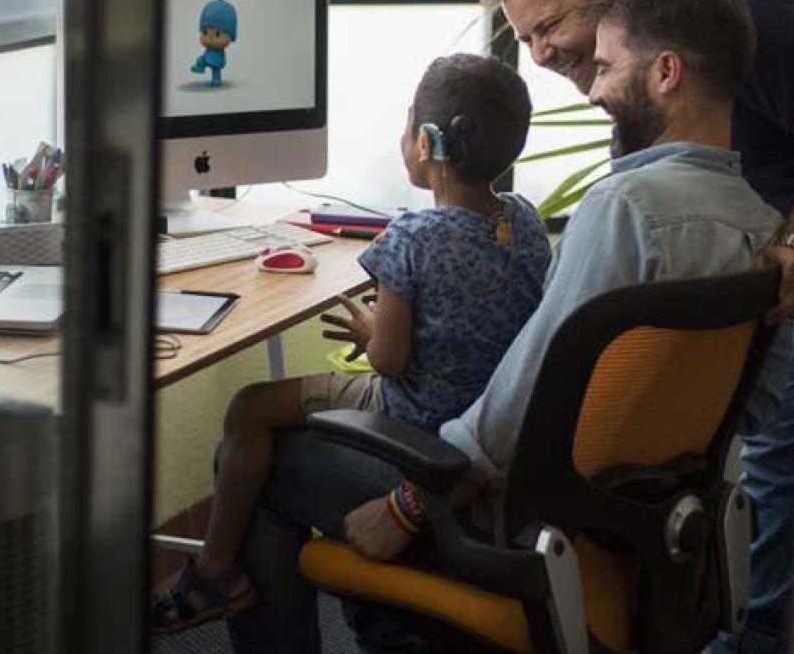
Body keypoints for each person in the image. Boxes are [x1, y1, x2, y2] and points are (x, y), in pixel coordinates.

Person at [227, 0, 792, 652]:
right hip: (641, 530)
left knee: (260, 454)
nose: (597, 91)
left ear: (666, 72)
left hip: (507, 515)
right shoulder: (769, 234)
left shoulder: (623, 210)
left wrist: (408, 508)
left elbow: (527, 396)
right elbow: (755, 410)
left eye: (609, 67)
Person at [484, 0, 794, 654]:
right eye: (524, 39)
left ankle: (759, 636)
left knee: (780, 438)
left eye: (548, 25)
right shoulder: (645, 50)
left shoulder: (741, 9)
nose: (542, 52)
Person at [152, 52, 552, 635]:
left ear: (426, 143)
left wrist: (370, 330)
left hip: (413, 420)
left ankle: (214, 571)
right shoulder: (526, 221)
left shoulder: (410, 237)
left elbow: (389, 361)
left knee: (250, 408)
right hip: (486, 418)